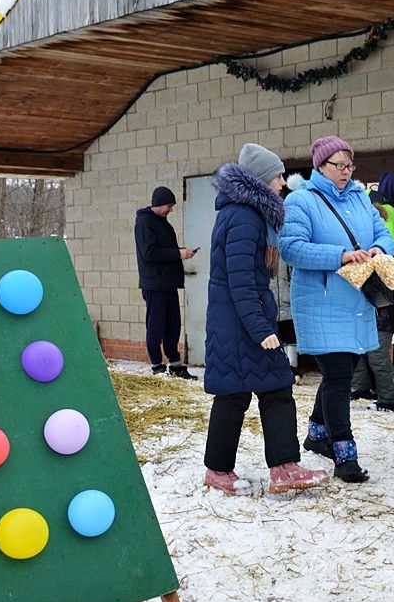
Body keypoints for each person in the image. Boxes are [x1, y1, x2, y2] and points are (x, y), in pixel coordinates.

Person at [202, 143, 328, 495]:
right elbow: (240, 280)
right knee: (248, 392)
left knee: (252, 390)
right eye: (277, 175)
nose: (282, 181)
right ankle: (255, 469)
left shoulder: (246, 213)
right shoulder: (243, 217)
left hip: (238, 321)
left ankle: (266, 467)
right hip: (241, 324)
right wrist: (261, 329)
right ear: (259, 180)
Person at [279, 135, 394, 483]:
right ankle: (344, 453)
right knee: (340, 376)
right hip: (322, 301)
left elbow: (385, 234)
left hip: (357, 300)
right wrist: (340, 256)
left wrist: (377, 248)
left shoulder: (361, 198)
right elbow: (291, 249)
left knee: (339, 371)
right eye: (339, 166)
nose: (346, 172)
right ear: (320, 166)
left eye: (350, 165)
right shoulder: (301, 201)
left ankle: (316, 435)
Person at [351, 170, 394, 411]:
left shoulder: (365, 200)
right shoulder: (388, 209)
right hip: (378, 285)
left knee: (368, 342)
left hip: (370, 285)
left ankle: (377, 393)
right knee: (370, 344)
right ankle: (374, 392)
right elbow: (393, 250)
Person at [134, 185, 197, 379]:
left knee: (173, 325)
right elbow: (150, 253)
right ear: (159, 204)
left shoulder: (162, 221)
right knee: (156, 325)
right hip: (155, 284)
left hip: (168, 283)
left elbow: (164, 249)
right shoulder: (145, 222)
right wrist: (178, 253)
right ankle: (157, 365)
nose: (171, 209)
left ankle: (175, 364)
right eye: (169, 205)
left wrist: (181, 251)